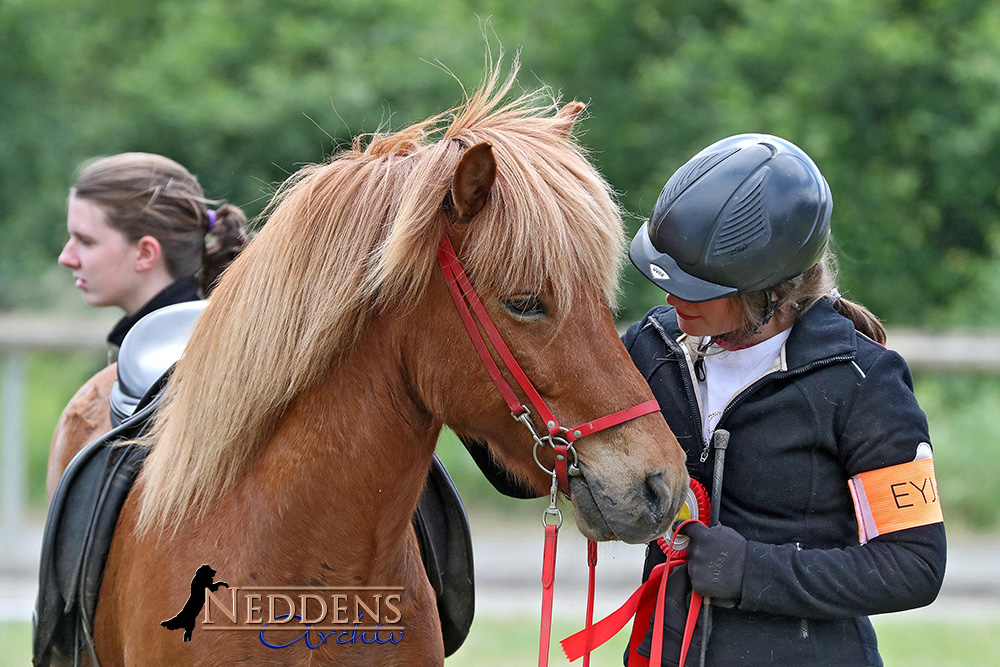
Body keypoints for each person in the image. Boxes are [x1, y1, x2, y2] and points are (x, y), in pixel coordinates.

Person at [623, 133, 946, 665]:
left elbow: (914, 565)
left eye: (700, 285)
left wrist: (754, 572)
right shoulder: (651, 346)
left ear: (769, 289)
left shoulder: (864, 382)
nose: (671, 297)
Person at [57, 152, 248, 361]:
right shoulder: (184, 348)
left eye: (86, 241)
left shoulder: (182, 363)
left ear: (145, 253)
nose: (66, 258)